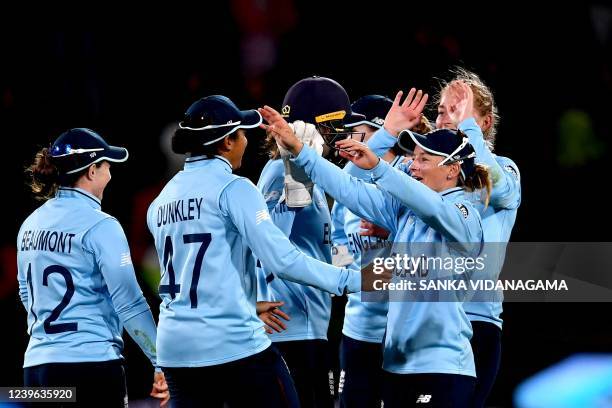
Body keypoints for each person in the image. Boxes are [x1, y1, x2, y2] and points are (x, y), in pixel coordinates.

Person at [259, 91, 491, 407]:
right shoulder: (405, 208)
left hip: (442, 367)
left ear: (452, 170)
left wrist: (381, 169)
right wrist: (300, 150)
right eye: (414, 157)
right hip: (395, 365)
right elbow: (347, 189)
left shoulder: (465, 215)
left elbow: (436, 211)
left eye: (424, 159)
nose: (413, 166)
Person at [146, 95, 361, 407]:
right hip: (230, 342)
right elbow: (282, 260)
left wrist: (249, 303)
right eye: (242, 134)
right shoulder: (234, 188)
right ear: (226, 142)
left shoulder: (160, 202)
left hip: (175, 348)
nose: (246, 140)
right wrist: (354, 281)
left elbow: (200, 274)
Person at [17, 128, 169, 407]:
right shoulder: (101, 225)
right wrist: (162, 361)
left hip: (36, 370)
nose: (110, 172)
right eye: (106, 165)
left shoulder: (30, 224)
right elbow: (130, 303)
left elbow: (27, 294)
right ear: (91, 172)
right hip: (90, 367)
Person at [256, 76, 366, 408]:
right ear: (314, 126)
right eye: (334, 126)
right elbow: (266, 245)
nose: (340, 136)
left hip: (309, 329)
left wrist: (364, 260)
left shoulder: (303, 175)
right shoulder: (281, 172)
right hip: (291, 332)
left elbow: (322, 248)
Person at [435, 69, 521, 407]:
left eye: (459, 108)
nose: (447, 116)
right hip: (426, 318)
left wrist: (465, 130)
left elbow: (496, 189)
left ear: (483, 122)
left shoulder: (505, 168)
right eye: (442, 109)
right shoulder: (425, 171)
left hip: (476, 321)